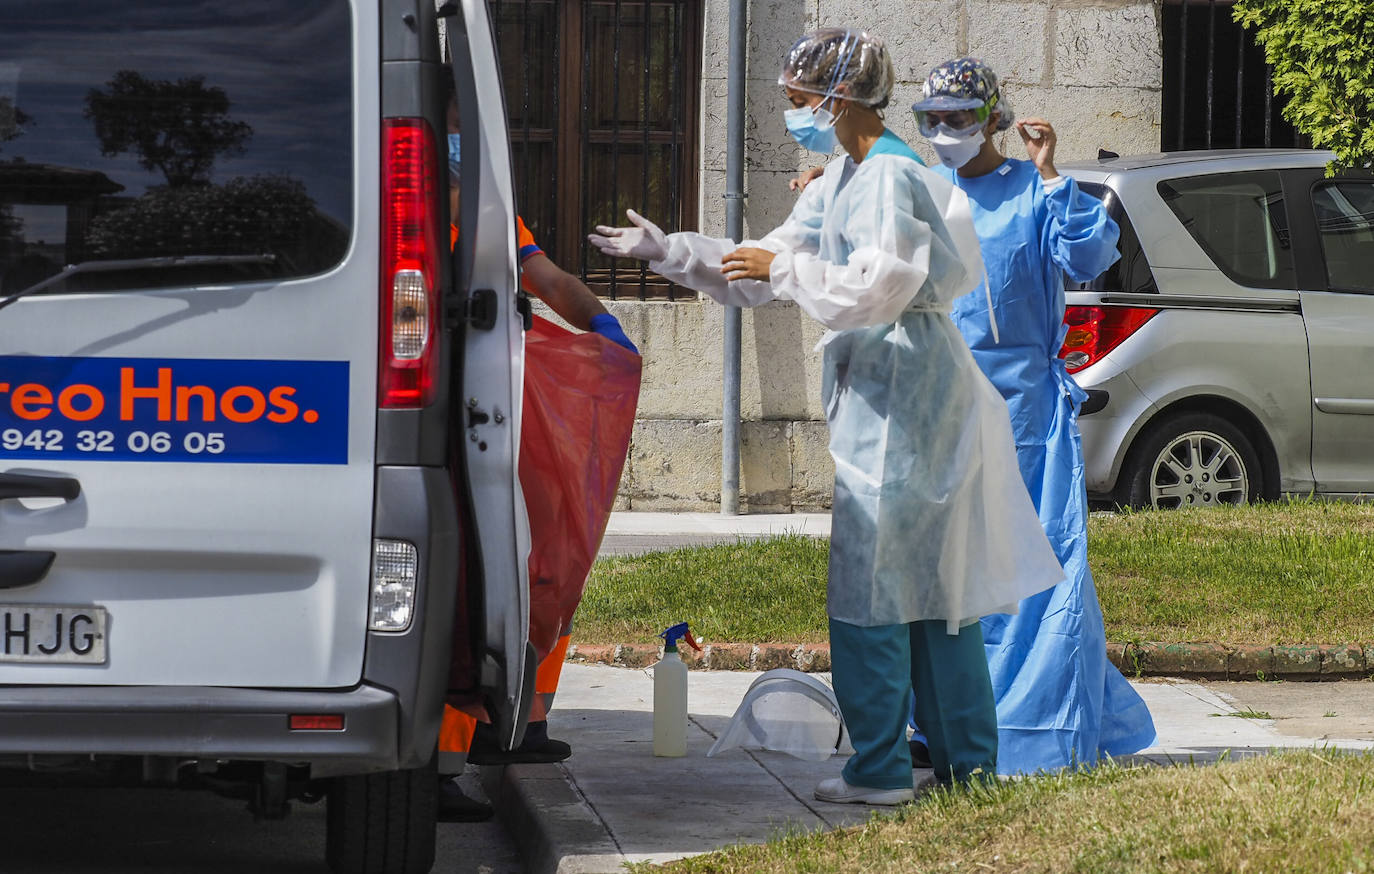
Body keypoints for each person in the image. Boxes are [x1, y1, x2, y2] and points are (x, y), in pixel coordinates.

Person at [590, 28, 1063, 805]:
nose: (792, 113)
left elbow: (879, 286)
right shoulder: (843, 178)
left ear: (840, 96)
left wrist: (790, 268)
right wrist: (670, 251)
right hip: (893, 399)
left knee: (878, 587)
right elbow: (760, 265)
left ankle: (881, 769)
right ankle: (965, 772)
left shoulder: (887, 180)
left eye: (798, 100)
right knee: (930, 595)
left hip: (905, 401)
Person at [904, 56, 1156, 774]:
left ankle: (1039, 729)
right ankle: (942, 721)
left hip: (1026, 418)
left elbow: (1087, 253)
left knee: (1041, 571)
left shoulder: (1031, 190)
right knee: (948, 572)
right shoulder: (927, 194)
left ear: (993, 118)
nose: (946, 132)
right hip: (944, 406)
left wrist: (1050, 174)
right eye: (933, 121)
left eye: (958, 117)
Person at [438, 77, 640, 822]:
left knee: (542, 556)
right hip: (433, 419)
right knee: (458, 583)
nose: (465, 140)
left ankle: (517, 723)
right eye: (456, 124)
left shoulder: (490, 215)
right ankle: (440, 759)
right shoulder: (410, 214)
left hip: (492, 411)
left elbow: (546, 277)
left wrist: (602, 327)